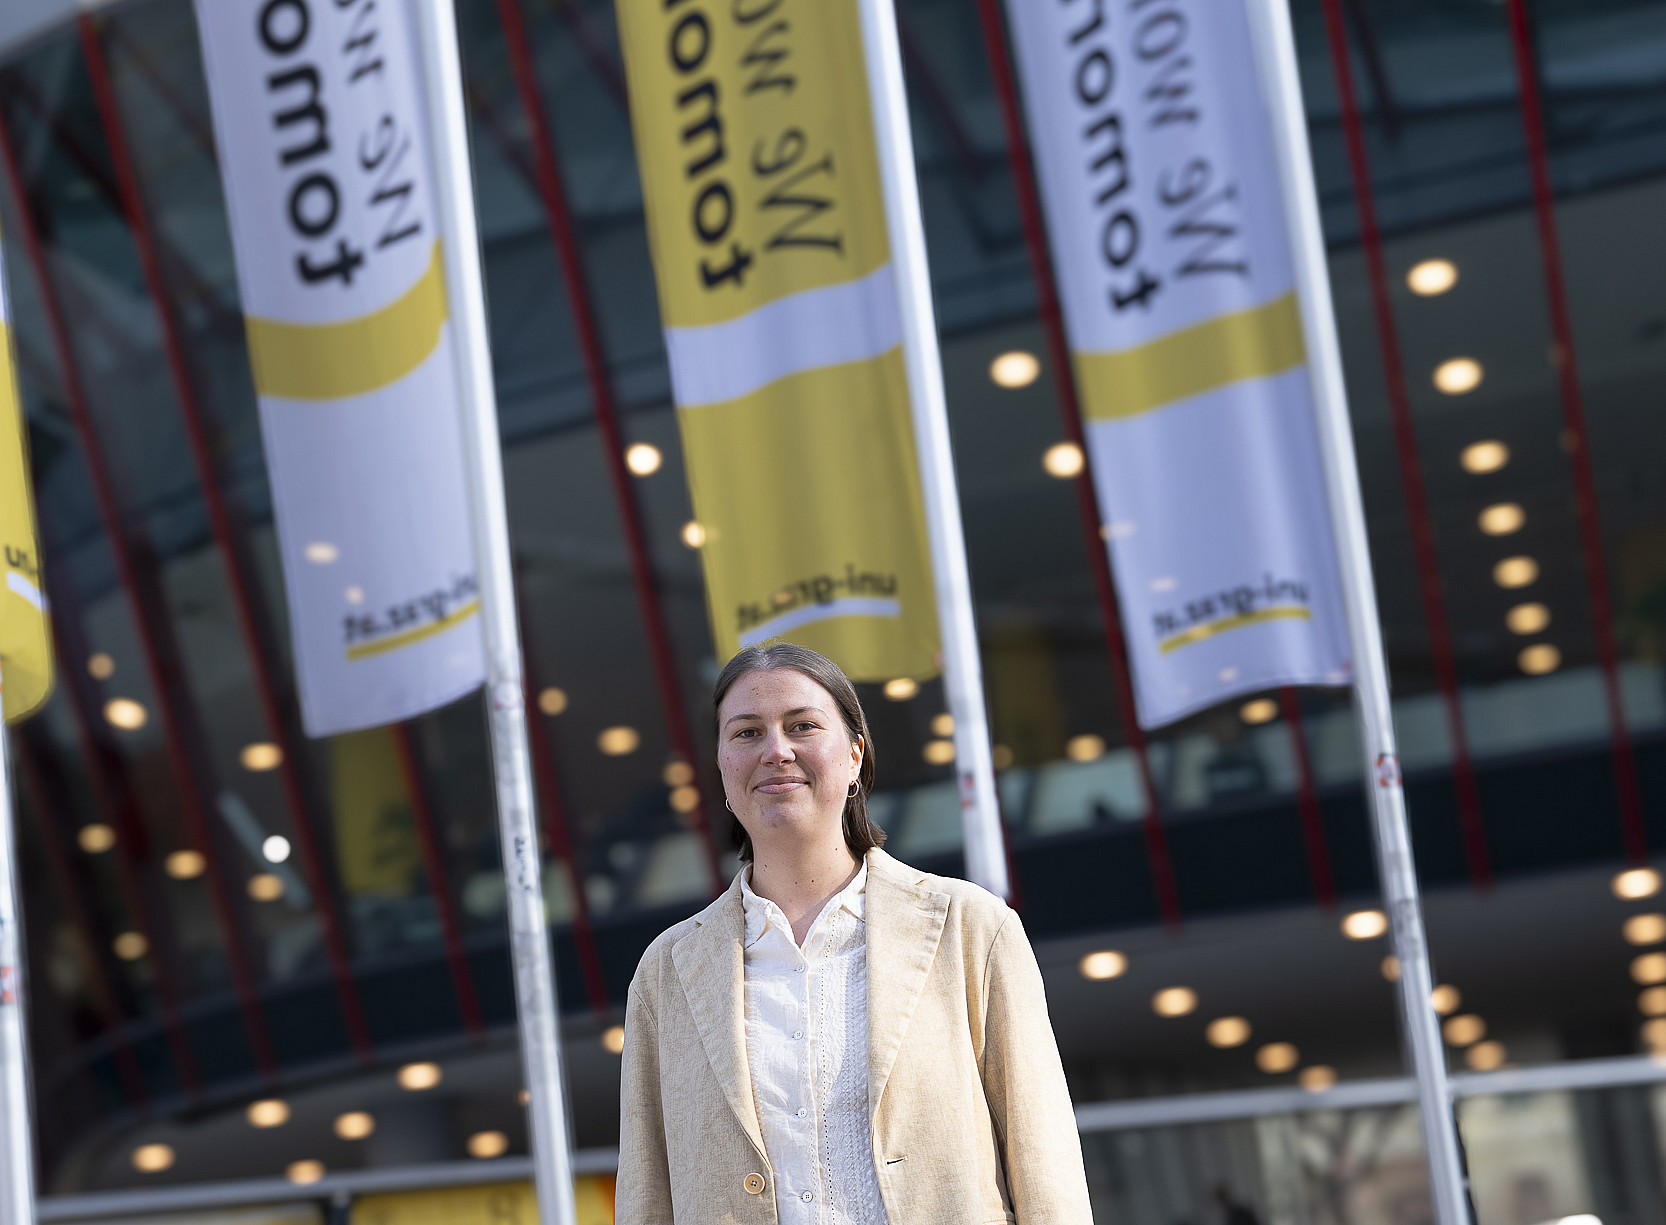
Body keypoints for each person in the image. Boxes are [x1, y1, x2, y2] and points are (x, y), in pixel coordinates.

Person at [616, 642, 1092, 1223]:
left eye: (803, 726)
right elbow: (644, 1195)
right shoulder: (666, 972)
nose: (776, 750)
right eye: (746, 733)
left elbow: (1046, 1165)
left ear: (854, 757)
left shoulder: (970, 928)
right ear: (721, 766)